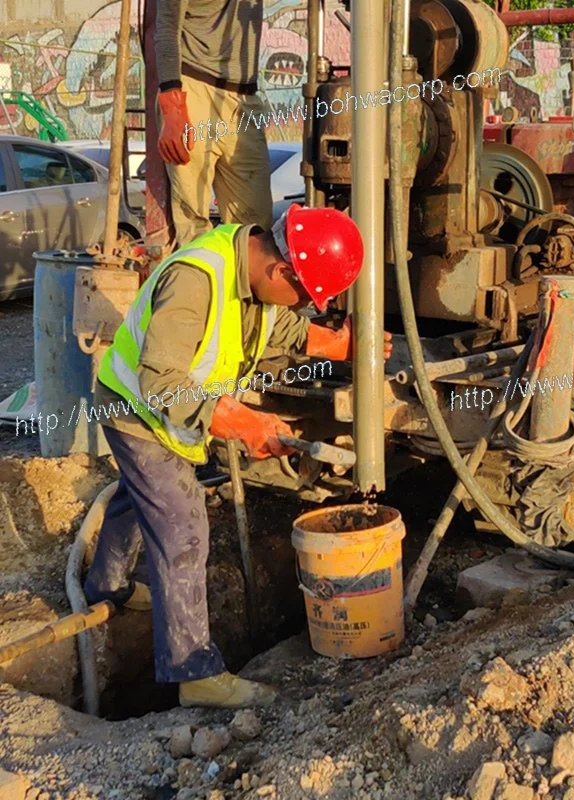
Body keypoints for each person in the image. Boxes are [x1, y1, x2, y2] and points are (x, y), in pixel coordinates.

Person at [84, 204, 392, 709]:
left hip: (166, 415)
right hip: (135, 409)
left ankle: (106, 588)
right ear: (281, 270)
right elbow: (160, 383)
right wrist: (243, 423)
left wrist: (337, 345)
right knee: (182, 526)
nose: (303, 307)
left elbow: (279, 331)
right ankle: (193, 672)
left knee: (139, 498)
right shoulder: (196, 280)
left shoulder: (252, 271)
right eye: (304, 295)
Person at [155, 0, 273, 246]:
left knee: (255, 226)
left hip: (244, 97)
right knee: (193, 220)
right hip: (194, 86)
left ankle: (239, 284)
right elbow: (166, 27)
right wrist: (171, 101)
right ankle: (198, 281)